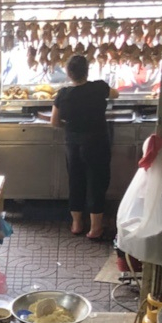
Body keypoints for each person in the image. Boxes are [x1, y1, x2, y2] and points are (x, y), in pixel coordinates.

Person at [51, 54, 116, 241]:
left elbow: (54, 121)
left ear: (68, 73)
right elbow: (116, 93)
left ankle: (77, 224)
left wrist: (70, 127)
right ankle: (95, 228)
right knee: (97, 182)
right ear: (87, 71)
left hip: (73, 143)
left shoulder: (63, 94)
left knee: (76, 181)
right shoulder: (99, 87)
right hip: (97, 142)